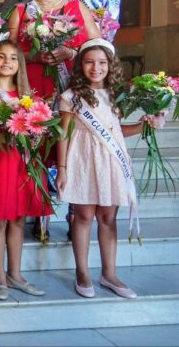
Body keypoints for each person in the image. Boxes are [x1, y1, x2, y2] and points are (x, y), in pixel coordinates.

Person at [57, 39, 164, 299]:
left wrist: (146, 124)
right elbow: (63, 135)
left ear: (110, 65)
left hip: (111, 161)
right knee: (83, 216)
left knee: (108, 218)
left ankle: (109, 274)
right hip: (83, 160)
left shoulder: (117, 96)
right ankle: (82, 272)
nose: (96, 68)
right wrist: (62, 168)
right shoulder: (71, 97)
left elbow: (116, 132)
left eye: (102, 62)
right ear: (81, 65)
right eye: (89, 62)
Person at [0, 40, 47, 301]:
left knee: (18, 219)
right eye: (1, 57)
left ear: (19, 64)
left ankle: (16, 274)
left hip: (22, 163)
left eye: (13, 58)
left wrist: (36, 134)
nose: (7, 62)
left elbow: (37, 128)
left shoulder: (27, 98)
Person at [8, 0, 100, 100]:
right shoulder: (20, 11)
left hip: (74, 82)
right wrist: (35, 56)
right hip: (33, 85)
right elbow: (9, 53)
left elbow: (98, 46)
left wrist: (70, 53)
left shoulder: (77, 6)